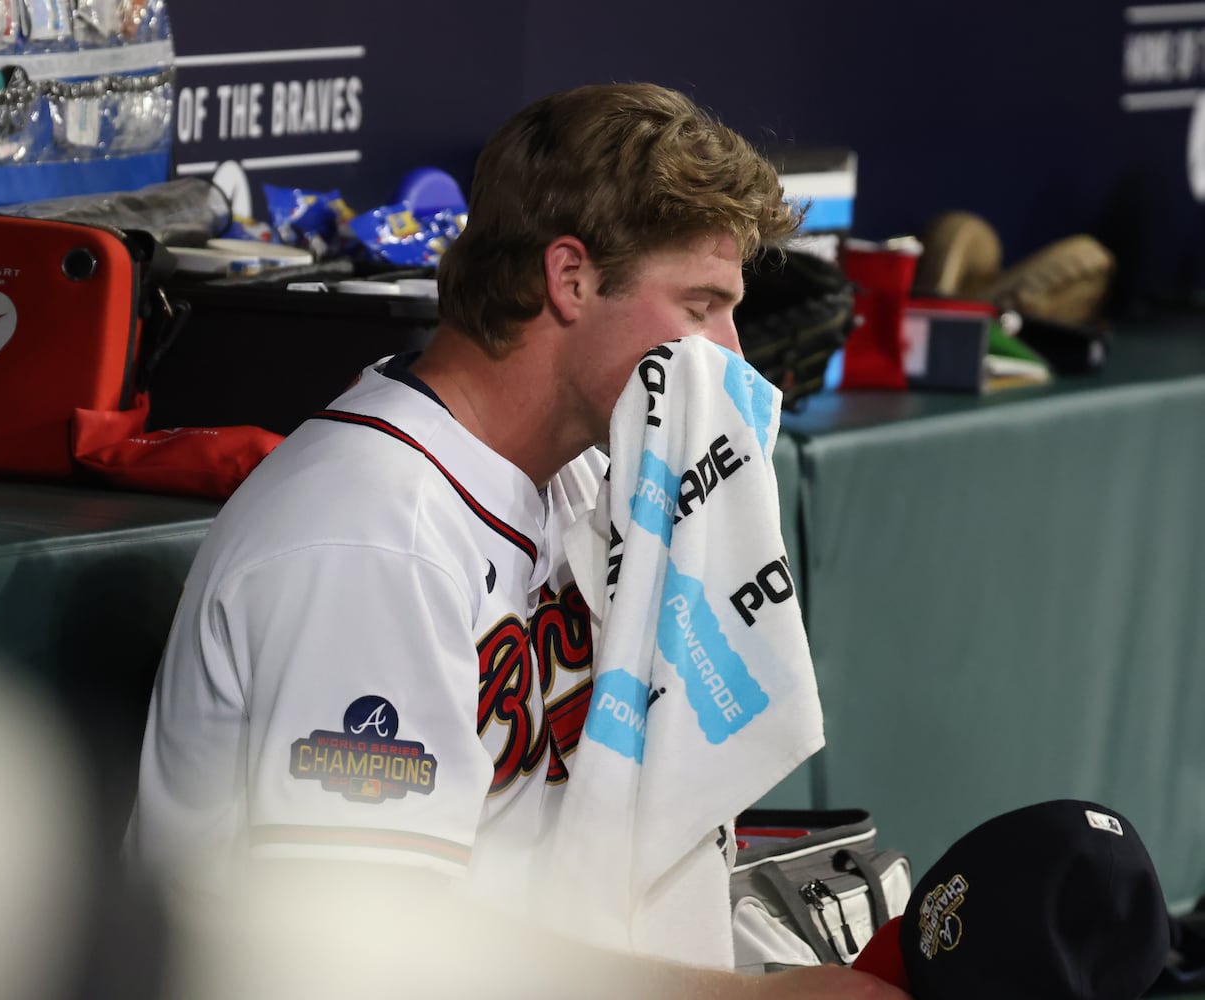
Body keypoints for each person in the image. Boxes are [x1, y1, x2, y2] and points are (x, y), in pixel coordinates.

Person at [128, 82, 910, 1000]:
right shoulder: (371, 535)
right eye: (699, 306)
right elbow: (360, 952)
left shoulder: (584, 468)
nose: (729, 355)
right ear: (569, 278)